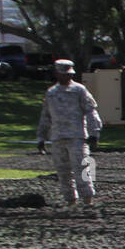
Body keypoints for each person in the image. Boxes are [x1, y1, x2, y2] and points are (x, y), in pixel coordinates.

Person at [36, 59, 103, 208]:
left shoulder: (80, 90)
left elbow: (91, 112)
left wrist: (94, 133)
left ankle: (88, 201)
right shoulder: (51, 93)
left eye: (69, 74)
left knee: (83, 170)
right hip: (58, 138)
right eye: (63, 74)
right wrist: (41, 137)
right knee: (63, 172)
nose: (67, 77)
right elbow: (46, 116)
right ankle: (71, 202)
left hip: (77, 137)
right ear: (57, 74)